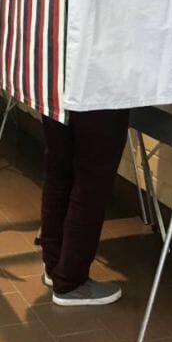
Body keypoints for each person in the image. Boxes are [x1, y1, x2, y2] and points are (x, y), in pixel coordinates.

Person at [39, 111, 130, 306]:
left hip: (54, 88)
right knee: (93, 177)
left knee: (58, 169)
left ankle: (53, 263)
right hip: (98, 93)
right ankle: (71, 281)